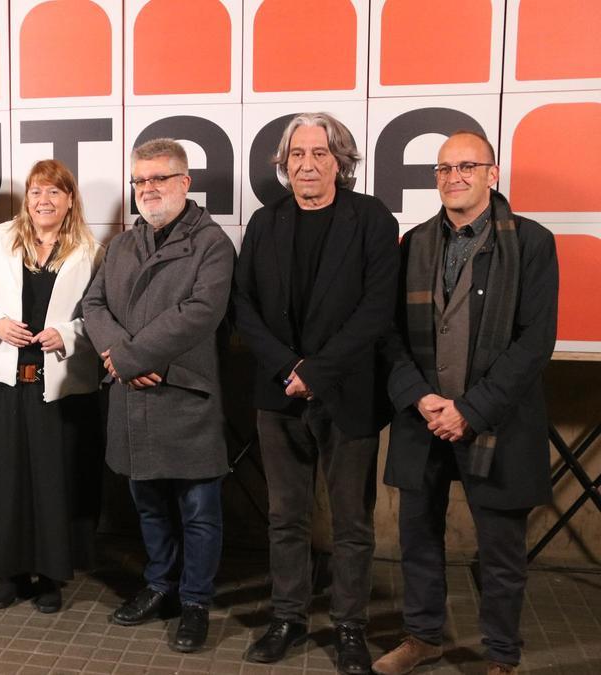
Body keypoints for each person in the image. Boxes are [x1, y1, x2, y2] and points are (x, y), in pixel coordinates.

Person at [372, 131, 558, 675]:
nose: (454, 177)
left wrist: (471, 410)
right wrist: (420, 397)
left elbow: (535, 340)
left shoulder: (532, 242)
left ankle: (501, 657)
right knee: (418, 537)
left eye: (467, 166)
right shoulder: (414, 244)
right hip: (423, 419)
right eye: (444, 168)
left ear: (492, 174)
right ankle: (423, 637)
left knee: (501, 552)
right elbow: (389, 333)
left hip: (497, 421)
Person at [232, 113, 398, 675]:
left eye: (320, 154)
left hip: (347, 392)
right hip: (278, 393)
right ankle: (289, 617)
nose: (307, 164)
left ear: (340, 162)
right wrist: (289, 367)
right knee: (286, 516)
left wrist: (318, 372)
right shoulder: (265, 222)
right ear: (284, 164)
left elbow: (377, 309)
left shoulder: (371, 218)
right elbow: (243, 307)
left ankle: (350, 625)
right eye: (296, 154)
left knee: (351, 521)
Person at [82, 138, 235, 652]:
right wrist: (120, 355)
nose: (147, 189)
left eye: (159, 179)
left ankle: (194, 601)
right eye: (140, 181)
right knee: (148, 506)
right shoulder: (124, 243)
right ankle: (159, 586)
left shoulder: (211, 242)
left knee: (199, 512)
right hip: (133, 396)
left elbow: (201, 312)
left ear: (184, 183)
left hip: (185, 394)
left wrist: (131, 358)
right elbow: (93, 302)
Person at [0, 159, 103, 614]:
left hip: (58, 385)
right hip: (6, 381)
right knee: (4, 480)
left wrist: (70, 334)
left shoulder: (90, 249)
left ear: (69, 200)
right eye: (37, 192)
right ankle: (9, 572)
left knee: (52, 482)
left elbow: (98, 314)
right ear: (28, 199)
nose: (44, 200)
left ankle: (50, 576)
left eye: (55, 193)